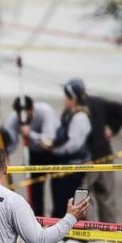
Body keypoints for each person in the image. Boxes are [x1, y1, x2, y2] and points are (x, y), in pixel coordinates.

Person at [78, 83, 122, 223]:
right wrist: (113, 128)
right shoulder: (98, 102)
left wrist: (112, 128)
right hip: (105, 156)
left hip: (89, 159)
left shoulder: (79, 109)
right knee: (107, 198)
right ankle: (109, 237)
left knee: (84, 198)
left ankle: (88, 236)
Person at [44, 79, 92, 219]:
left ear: (74, 98)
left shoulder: (80, 117)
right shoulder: (68, 115)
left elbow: (74, 145)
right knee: (59, 206)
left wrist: (54, 150)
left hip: (72, 170)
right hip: (62, 169)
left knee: (69, 207)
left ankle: (71, 238)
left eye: (67, 96)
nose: (65, 99)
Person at [3, 96, 59, 216]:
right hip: (33, 154)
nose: (21, 117)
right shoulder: (14, 118)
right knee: (35, 192)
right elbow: (11, 145)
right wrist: (3, 141)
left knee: (58, 190)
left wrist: (31, 134)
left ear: (32, 109)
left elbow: (49, 140)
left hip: (54, 153)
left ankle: (57, 220)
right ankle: (38, 220)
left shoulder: (45, 111)